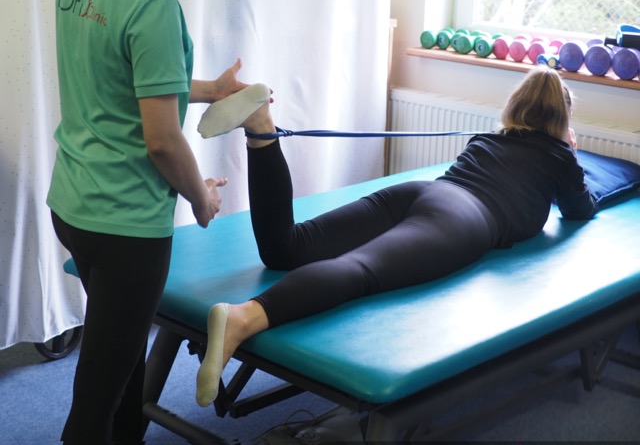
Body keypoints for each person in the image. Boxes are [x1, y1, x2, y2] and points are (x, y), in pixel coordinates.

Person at [195, 66, 597, 407]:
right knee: (360, 270)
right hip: (463, 219)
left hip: (421, 192)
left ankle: (261, 129)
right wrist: (570, 150)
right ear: (562, 120)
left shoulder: (488, 140)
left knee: (287, 247)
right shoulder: (560, 157)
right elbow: (580, 208)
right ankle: (242, 317)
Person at [46, 0, 248, 444]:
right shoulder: (151, 1)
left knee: (125, 362)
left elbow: (118, 78)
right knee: (97, 399)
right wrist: (201, 198)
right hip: (125, 227)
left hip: (74, 205)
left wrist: (210, 89)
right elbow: (162, 140)